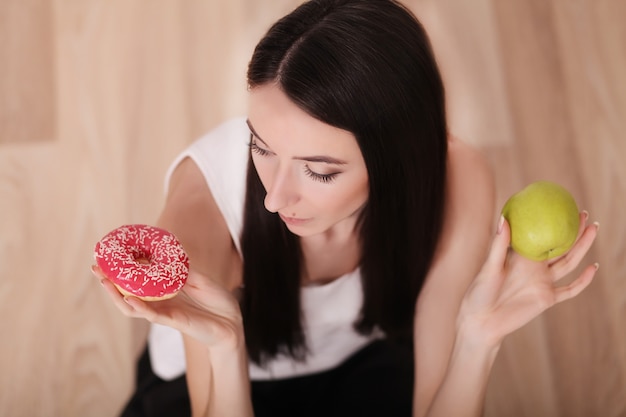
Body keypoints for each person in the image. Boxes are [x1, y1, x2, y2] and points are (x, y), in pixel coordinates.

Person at [92, 0, 599, 416]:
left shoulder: (456, 176)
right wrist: (226, 347)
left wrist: (477, 337)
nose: (274, 197)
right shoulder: (205, 209)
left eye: (319, 170)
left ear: (397, 159)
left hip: (362, 362)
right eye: (261, 145)